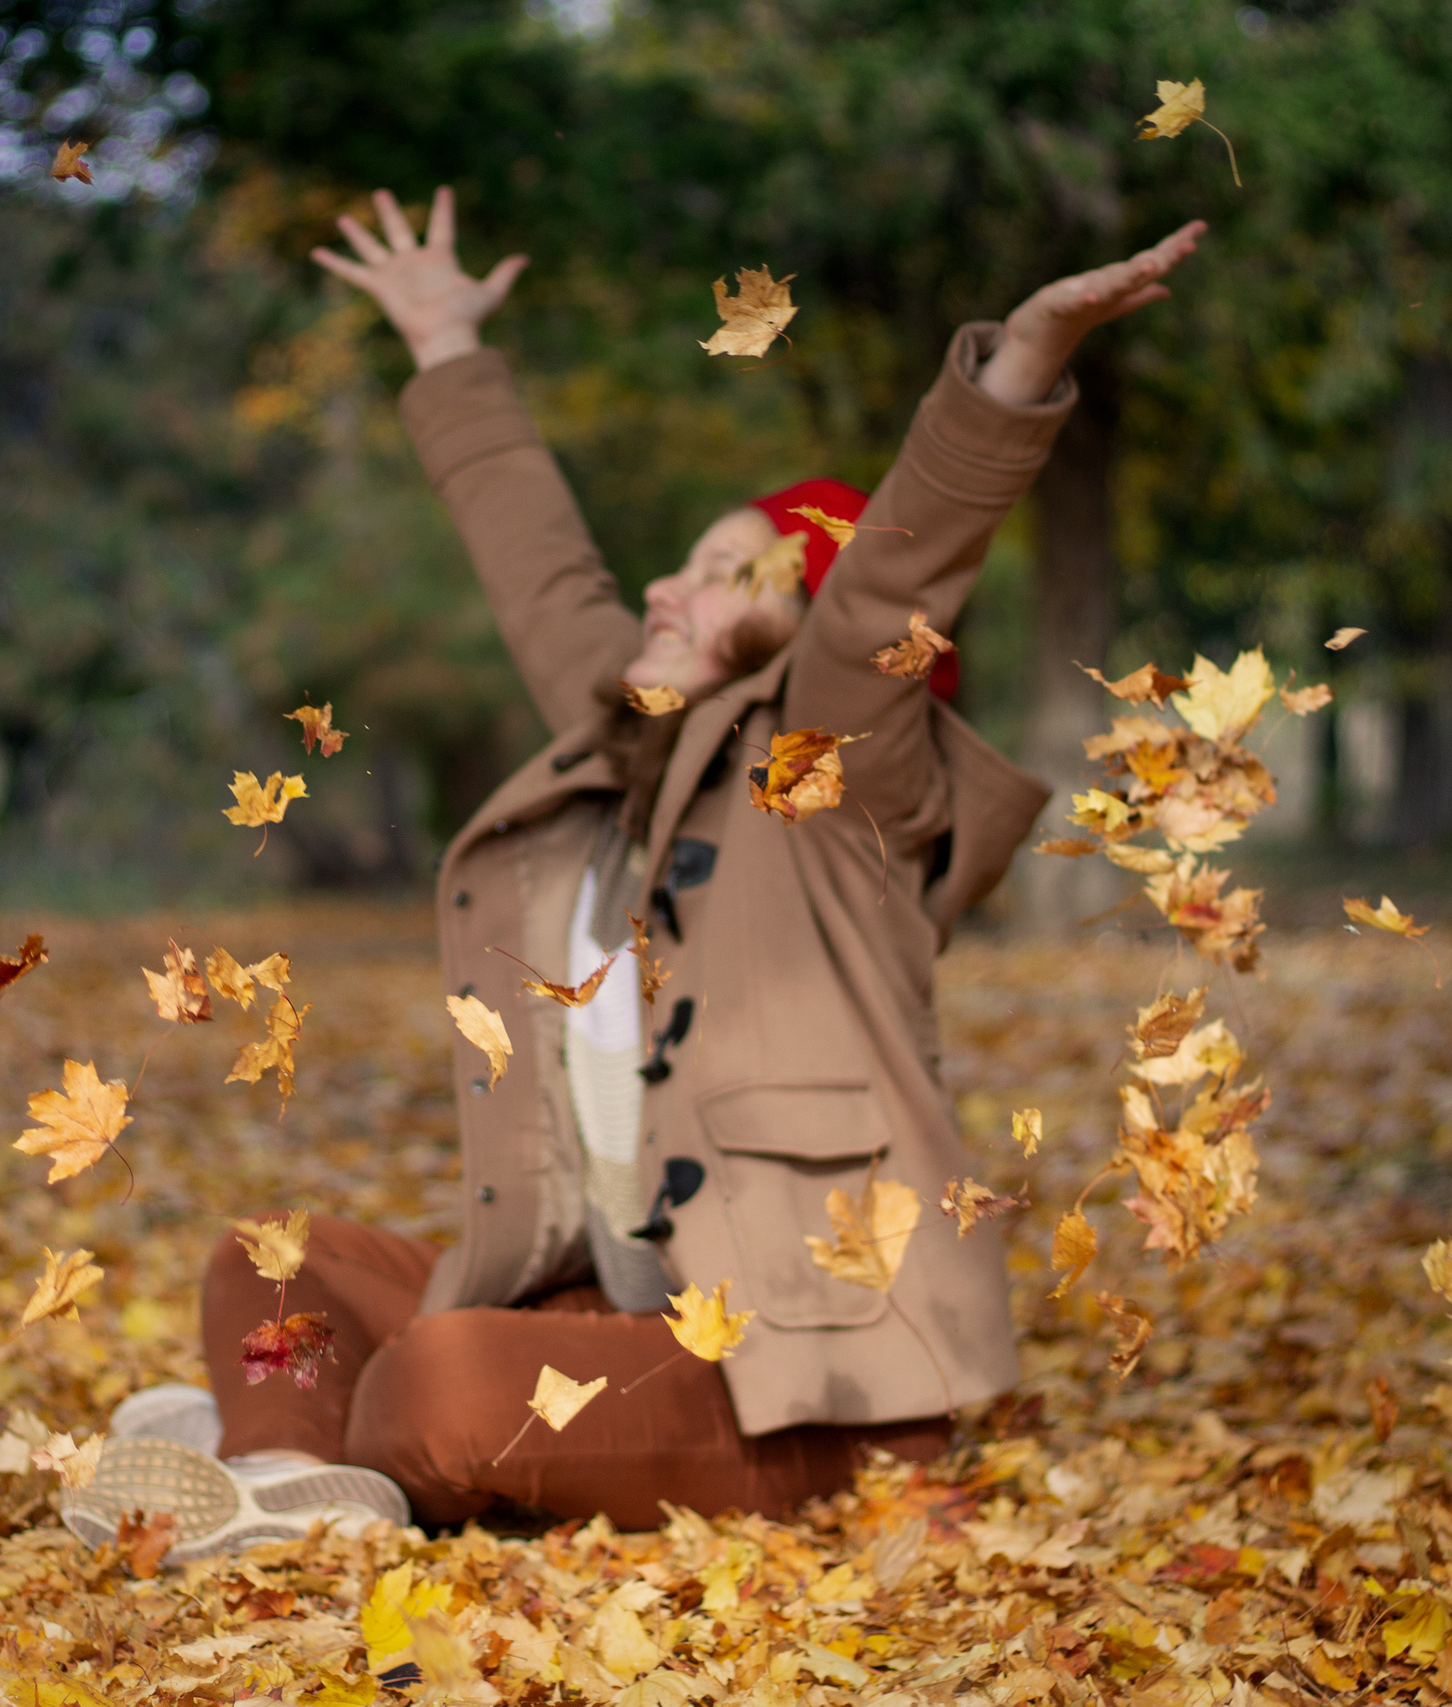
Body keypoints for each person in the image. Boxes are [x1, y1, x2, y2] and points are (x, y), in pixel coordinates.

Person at [62, 189, 1205, 1564]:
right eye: (686, 562)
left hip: (800, 1383)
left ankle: (292, 1435)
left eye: (727, 574)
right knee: (278, 1261)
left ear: (807, 642)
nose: (667, 589)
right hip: (611, 1321)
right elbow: (542, 573)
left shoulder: (829, 779)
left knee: (428, 1393)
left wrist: (1018, 367)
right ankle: (277, 1480)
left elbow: (899, 575)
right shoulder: (623, 758)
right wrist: (442, 347)